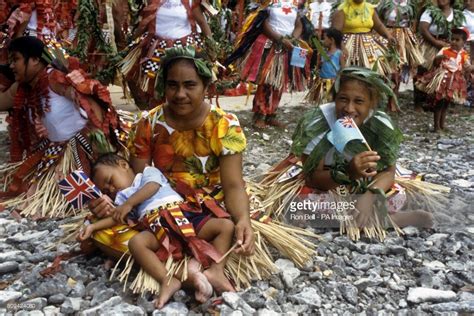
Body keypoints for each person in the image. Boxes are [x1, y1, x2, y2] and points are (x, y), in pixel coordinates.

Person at [90, 46, 255, 293]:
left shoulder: (224, 125)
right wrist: (111, 203)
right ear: (163, 87)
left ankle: (179, 266)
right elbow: (138, 179)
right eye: (172, 85)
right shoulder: (148, 122)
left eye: (190, 85)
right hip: (160, 204)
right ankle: (189, 270)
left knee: (233, 228)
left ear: (206, 87)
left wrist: (243, 220)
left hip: (207, 204)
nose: (180, 94)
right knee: (99, 230)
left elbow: (233, 185)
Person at [262, 67, 433, 241]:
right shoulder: (317, 123)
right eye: (343, 99)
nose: (349, 108)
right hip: (328, 182)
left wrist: (369, 196)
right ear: (334, 99)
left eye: (359, 101)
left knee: (396, 196)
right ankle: (388, 220)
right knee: (305, 201)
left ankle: (362, 218)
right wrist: (349, 172)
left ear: (371, 104)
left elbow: (388, 172)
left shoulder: (379, 125)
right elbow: (312, 178)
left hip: (366, 183)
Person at [79, 153, 235, 308]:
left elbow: (152, 187)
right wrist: (93, 227)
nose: (112, 189)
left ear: (123, 165)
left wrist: (129, 204)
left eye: (110, 180)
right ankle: (167, 280)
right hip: (157, 228)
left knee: (225, 226)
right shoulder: (121, 199)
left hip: (183, 216)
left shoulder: (148, 173)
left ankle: (216, 270)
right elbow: (115, 218)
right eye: (107, 190)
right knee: (137, 243)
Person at [0, 36, 121, 217]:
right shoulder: (24, 89)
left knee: (81, 203)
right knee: (30, 199)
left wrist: (103, 149)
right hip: (54, 152)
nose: (11, 65)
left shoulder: (55, 79)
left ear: (34, 60)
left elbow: (92, 106)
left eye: (16, 59)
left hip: (80, 149)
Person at [225, 0, 312, 128]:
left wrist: (292, 39)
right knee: (266, 81)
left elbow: (299, 24)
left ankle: (271, 114)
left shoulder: (296, 2)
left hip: (288, 46)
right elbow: (261, 22)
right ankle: (259, 115)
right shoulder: (267, 1)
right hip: (269, 43)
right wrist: (280, 39)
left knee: (279, 82)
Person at [119, 0, 213, 108]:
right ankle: (155, 110)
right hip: (157, 48)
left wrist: (212, 48)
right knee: (152, 82)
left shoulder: (191, 1)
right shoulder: (151, 1)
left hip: (184, 49)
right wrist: (132, 43)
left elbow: (202, 22)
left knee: (182, 80)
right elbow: (144, 24)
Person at [416, 28, 474, 131]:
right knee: (439, 101)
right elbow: (435, 63)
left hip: (454, 80)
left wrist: (470, 68)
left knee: (446, 103)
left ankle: (442, 125)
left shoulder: (463, 54)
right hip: (443, 78)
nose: (453, 42)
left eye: (457, 40)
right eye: (452, 39)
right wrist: (439, 58)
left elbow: (467, 66)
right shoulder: (445, 50)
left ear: (464, 42)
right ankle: (436, 126)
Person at [416, 0, 465, 110]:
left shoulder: (456, 14)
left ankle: (436, 102)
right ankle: (418, 103)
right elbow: (423, 29)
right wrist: (436, 43)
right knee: (424, 71)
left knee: (444, 74)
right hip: (430, 44)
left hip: (449, 46)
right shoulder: (430, 11)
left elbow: (460, 32)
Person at [377, 0, 424, 108]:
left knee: (399, 68)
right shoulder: (384, 3)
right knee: (385, 67)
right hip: (387, 35)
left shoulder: (410, 4)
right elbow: (378, 20)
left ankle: (393, 101)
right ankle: (380, 97)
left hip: (404, 37)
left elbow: (414, 21)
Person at [331, 0, 397, 77]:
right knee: (348, 74)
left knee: (377, 70)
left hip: (368, 45)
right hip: (348, 45)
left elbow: (379, 26)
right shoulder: (342, 9)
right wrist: (342, 48)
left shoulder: (370, 8)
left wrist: (388, 35)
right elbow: (335, 32)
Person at [305, 28, 345, 105]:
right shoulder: (323, 53)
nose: (322, 41)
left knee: (331, 102)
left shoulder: (339, 53)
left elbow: (343, 69)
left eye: (324, 38)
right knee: (321, 103)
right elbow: (319, 67)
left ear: (332, 40)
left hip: (333, 82)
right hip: (322, 81)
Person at [463, 0, 474, 106]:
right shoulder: (462, 15)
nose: (468, 2)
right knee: (468, 68)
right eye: (466, 0)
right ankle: (466, 96)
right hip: (468, 45)